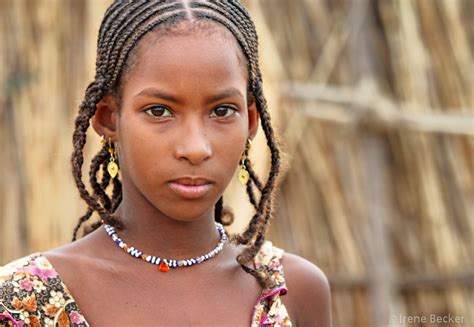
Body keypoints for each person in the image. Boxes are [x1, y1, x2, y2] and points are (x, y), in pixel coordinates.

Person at [0, 1, 331, 326]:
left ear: (250, 121)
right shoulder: (23, 302)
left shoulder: (291, 291)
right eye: (159, 111)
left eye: (222, 111)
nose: (195, 148)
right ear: (108, 119)